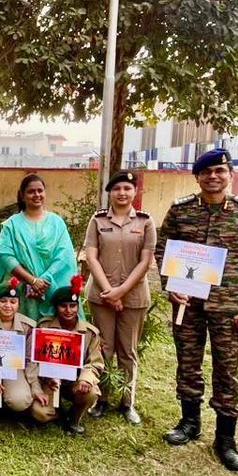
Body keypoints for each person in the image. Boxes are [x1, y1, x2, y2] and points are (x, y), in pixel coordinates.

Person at [154, 149, 238, 471]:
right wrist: (169, 284)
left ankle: (225, 438)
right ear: (198, 177)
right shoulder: (181, 211)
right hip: (188, 303)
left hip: (230, 307)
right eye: (206, 172)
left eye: (219, 170)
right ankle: (189, 422)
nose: (213, 177)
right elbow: (163, 248)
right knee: (188, 363)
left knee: (226, 371)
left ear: (230, 174)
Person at [84, 170, 156, 426]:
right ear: (110, 193)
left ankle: (127, 402)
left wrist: (121, 291)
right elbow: (91, 256)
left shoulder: (145, 222)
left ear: (134, 192)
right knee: (104, 348)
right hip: (102, 295)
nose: (122, 193)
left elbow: (146, 261)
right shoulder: (98, 220)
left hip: (134, 297)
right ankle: (101, 399)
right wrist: (110, 292)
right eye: (117, 189)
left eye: (127, 188)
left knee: (128, 350)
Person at [0, 174, 78, 322]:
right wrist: (32, 281)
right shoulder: (12, 225)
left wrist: (44, 280)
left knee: (50, 337)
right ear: (22, 195)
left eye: (40, 191)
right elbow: (5, 256)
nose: (37, 195)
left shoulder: (57, 222)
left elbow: (63, 256)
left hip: (50, 287)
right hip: (21, 291)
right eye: (31, 191)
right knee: (22, 332)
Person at [0, 279, 48, 422]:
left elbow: (31, 360)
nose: (8, 306)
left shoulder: (28, 326)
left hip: (15, 369)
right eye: (3, 301)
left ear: (18, 304)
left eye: (13, 302)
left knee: (20, 400)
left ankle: (9, 405)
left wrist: (35, 387)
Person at [37, 280, 106, 435]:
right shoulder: (44, 327)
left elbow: (95, 363)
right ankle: (57, 412)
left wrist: (85, 379)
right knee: (40, 414)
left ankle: (74, 418)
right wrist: (47, 377)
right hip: (49, 381)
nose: (68, 310)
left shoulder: (89, 333)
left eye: (73, 306)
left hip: (75, 380)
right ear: (56, 307)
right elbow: (36, 359)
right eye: (63, 306)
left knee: (91, 392)